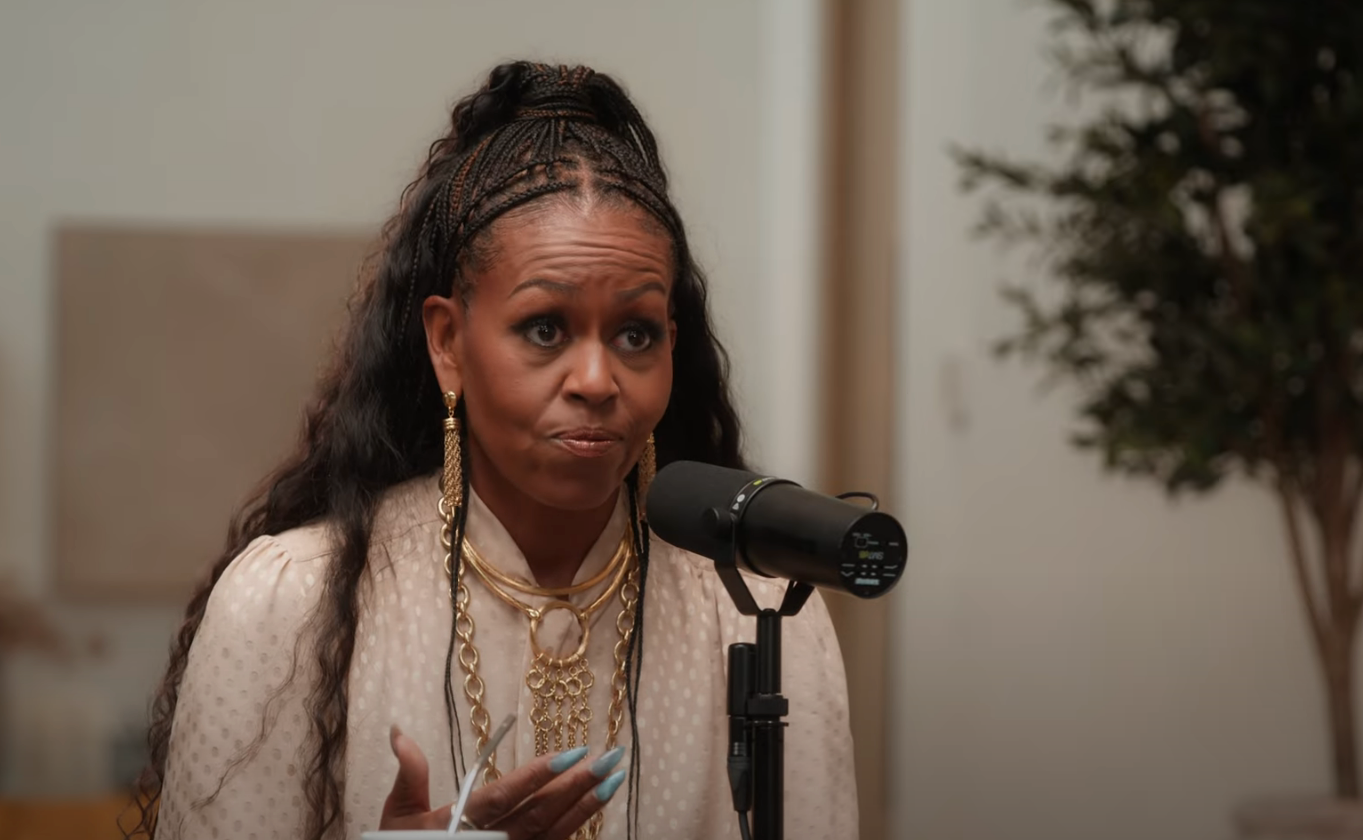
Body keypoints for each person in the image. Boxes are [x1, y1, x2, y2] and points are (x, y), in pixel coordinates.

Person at [134, 60, 858, 840]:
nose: (596, 378)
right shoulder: (289, 606)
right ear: (447, 342)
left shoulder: (758, 611)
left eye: (636, 334)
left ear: (673, 349)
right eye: (545, 329)